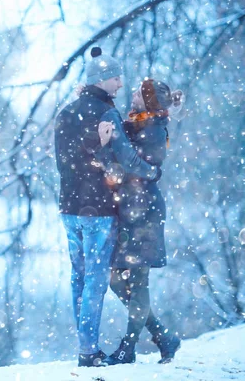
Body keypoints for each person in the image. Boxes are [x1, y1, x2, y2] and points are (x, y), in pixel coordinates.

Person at [54, 47, 161, 367]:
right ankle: (88, 353)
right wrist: (151, 171)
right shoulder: (106, 114)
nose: (119, 84)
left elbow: (63, 162)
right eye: (116, 78)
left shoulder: (65, 112)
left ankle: (86, 346)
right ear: (102, 80)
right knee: (95, 282)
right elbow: (127, 157)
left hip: (68, 207)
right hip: (99, 209)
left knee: (79, 278)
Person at [100, 79, 183, 365]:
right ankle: (163, 336)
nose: (134, 94)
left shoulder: (156, 130)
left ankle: (129, 347)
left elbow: (132, 161)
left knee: (138, 281)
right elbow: (122, 159)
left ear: (149, 101)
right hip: (128, 210)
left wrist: (113, 126)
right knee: (114, 279)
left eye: (139, 92)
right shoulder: (137, 123)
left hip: (145, 212)